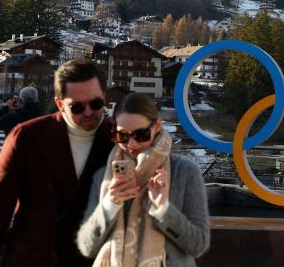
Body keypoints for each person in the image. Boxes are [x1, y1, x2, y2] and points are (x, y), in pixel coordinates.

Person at [0, 59, 114, 267]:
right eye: (76, 107)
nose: (88, 113)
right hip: (35, 258)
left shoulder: (122, 139)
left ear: (105, 98)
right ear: (59, 104)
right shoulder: (27, 137)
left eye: (96, 104)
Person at [77, 92, 210, 266]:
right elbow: (87, 247)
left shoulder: (184, 172)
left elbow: (198, 245)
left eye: (141, 135)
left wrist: (163, 210)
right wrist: (110, 205)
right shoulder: (104, 176)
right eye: (122, 136)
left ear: (157, 126)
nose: (131, 144)